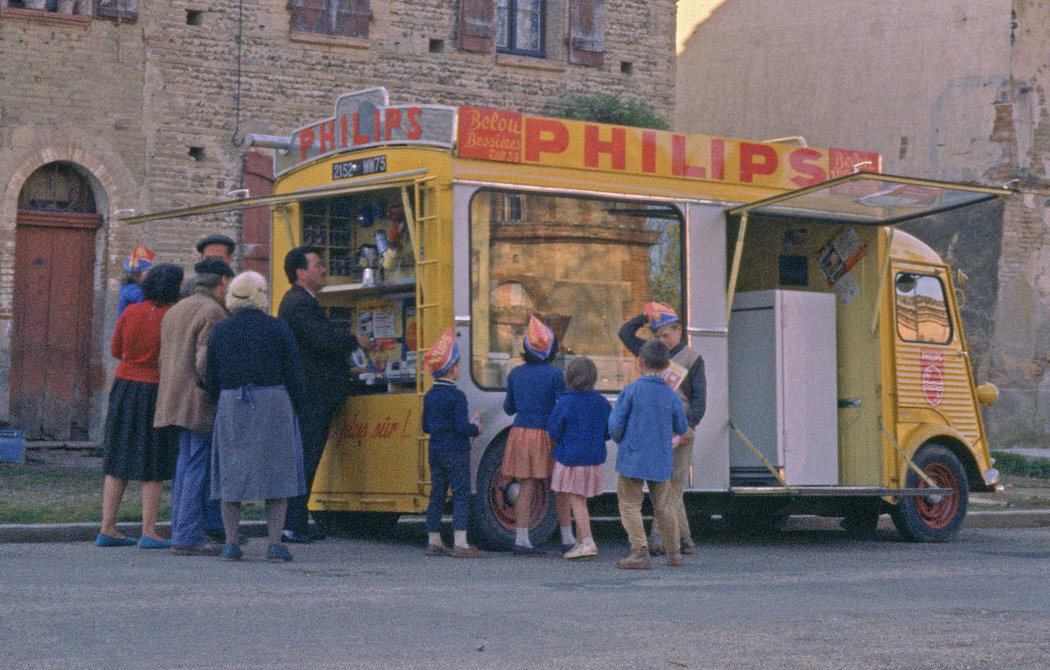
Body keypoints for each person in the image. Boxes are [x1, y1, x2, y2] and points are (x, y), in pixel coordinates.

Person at [204, 271, 306, 563]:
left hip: (233, 402)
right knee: (277, 473)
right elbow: (294, 372)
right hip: (274, 401)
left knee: (231, 474)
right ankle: (275, 543)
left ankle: (232, 542)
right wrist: (297, 404)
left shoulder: (221, 331)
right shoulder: (278, 328)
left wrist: (218, 402)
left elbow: (211, 376)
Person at [278, 246, 372, 543]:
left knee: (308, 458)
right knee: (306, 458)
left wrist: (346, 371)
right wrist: (354, 341)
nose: (323, 269)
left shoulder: (302, 302)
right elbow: (320, 341)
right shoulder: (299, 303)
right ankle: (293, 523)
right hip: (312, 395)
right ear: (301, 273)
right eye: (317, 265)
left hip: (313, 392)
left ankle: (296, 520)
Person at [96, 263, 184, 549]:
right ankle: (149, 530)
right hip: (156, 388)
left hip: (125, 386)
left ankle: (107, 527)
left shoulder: (130, 311)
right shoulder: (172, 316)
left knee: (117, 457)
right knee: (154, 459)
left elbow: (115, 351)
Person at [154, 258, 234, 557]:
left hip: (173, 397)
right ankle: (189, 534)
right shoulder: (212, 311)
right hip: (198, 399)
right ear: (221, 282)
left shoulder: (176, 309)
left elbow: (164, 358)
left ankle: (182, 529)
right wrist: (215, 389)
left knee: (185, 466)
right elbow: (205, 362)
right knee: (198, 466)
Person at [618, 302, 707, 555]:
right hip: (658, 429)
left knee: (674, 484)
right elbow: (625, 334)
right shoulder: (652, 352)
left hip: (681, 429)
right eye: (658, 336)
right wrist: (643, 317)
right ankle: (685, 538)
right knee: (667, 485)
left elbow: (699, 397)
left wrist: (690, 425)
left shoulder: (692, 358)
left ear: (679, 331)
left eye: (666, 335)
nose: (663, 341)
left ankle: (658, 535)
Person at [609, 339, 688, 570]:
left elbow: (616, 424)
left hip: (633, 456)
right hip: (661, 458)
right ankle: (674, 553)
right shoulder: (671, 396)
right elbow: (682, 427)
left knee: (630, 504)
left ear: (640, 362)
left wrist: (619, 440)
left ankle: (639, 551)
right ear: (667, 366)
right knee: (664, 506)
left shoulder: (631, 391)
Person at [502, 314, 564, 555]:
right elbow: (560, 408)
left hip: (520, 433)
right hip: (545, 433)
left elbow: (509, 408)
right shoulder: (556, 375)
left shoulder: (515, 374)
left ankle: (521, 538)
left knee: (525, 484)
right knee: (557, 484)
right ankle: (568, 536)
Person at [421, 327, 485, 558]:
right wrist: (474, 428)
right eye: (458, 364)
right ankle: (460, 542)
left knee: (437, 492)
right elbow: (461, 427)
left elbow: (425, 426)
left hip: (435, 448)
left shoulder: (429, 396)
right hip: (456, 450)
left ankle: (434, 539)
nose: (459, 368)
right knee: (461, 493)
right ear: (452, 368)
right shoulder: (457, 396)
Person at [547, 356, 611, 560]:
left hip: (571, 459)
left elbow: (554, 430)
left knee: (575, 499)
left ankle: (587, 542)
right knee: (581, 500)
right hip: (593, 459)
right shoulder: (602, 402)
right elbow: (609, 431)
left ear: (569, 377)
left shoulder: (566, 401)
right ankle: (578, 542)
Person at [117, 244, 155, 316]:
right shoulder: (131, 290)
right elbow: (147, 303)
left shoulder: (128, 287)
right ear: (137, 274)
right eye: (148, 271)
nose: (150, 274)